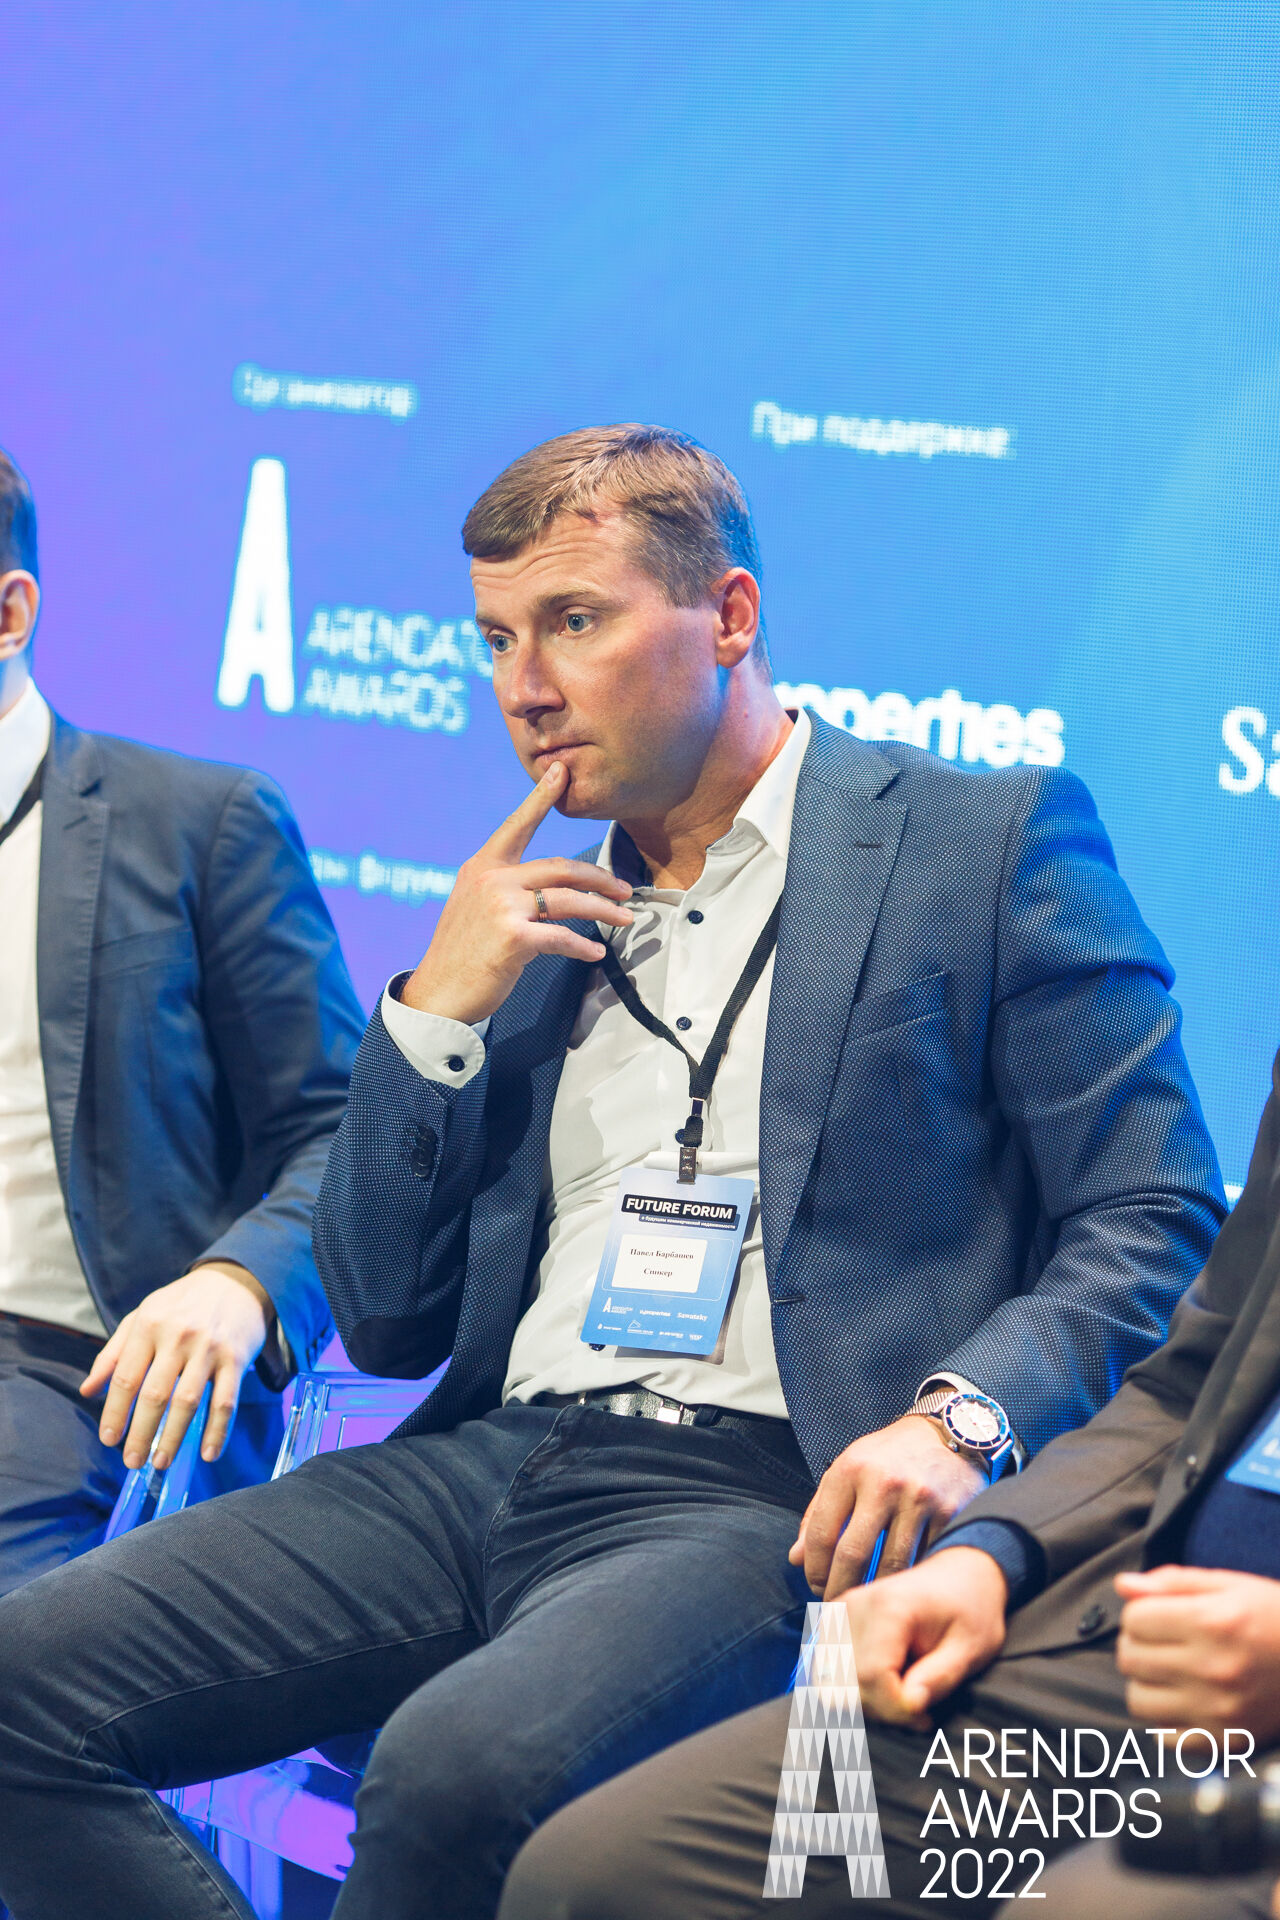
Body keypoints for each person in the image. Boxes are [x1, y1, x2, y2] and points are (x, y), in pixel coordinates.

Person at [0, 425, 1223, 1920]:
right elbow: (385, 1318)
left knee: (455, 1772)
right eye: (495, 639)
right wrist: (431, 1019)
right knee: (19, 1687)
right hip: (486, 1458)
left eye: (573, 621)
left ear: (729, 617)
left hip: (763, 1489)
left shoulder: (979, 840)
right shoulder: (527, 915)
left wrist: (961, 1420)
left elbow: (1152, 1211)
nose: (523, 684)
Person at [493, 1057, 1280, 1920]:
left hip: (1249, 1705)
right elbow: (1186, 1390)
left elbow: (1149, 1218)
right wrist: (986, 1555)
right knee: (597, 1874)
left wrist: (965, 1425)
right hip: (1116, 1631)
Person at [0, 446, 364, 1591]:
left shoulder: (198, 825)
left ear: (9, 615)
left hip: (69, 1374)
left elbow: (343, 1135)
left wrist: (239, 1283)